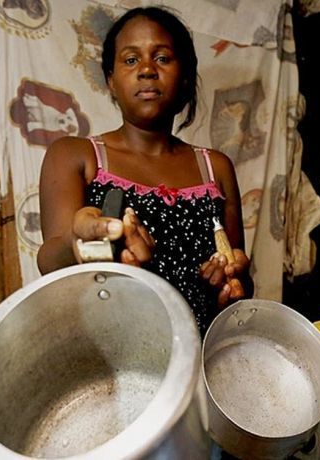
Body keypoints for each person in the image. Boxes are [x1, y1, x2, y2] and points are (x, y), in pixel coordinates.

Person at [37, 6, 252, 333]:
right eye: (131, 59)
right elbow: (50, 263)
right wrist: (82, 239)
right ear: (110, 79)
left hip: (199, 355)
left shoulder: (214, 167)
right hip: (113, 356)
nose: (147, 70)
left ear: (183, 77)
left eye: (162, 58)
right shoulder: (77, 156)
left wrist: (229, 284)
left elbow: (239, 277)